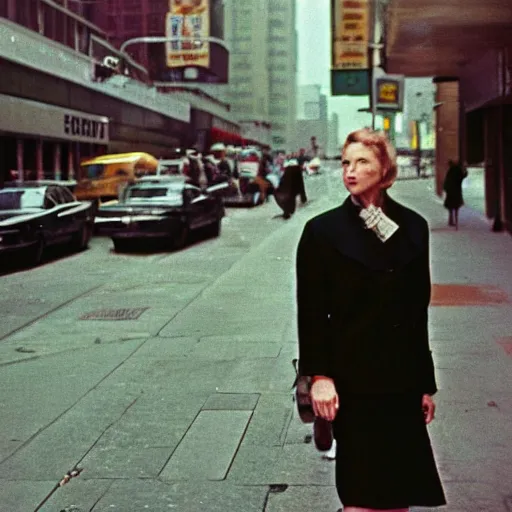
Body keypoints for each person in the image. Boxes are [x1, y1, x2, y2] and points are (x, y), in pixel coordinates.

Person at [296, 128, 446, 512]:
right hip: (352, 383)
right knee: (361, 497)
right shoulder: (322, 232)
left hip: (399, 383)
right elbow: (312, 312)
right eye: (346, 162)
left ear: (385, 169)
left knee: (398, 498)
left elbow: (417, 311)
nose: (350, 171)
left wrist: (423, 385)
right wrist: (320, 377)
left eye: (362, 162)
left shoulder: (413, 227)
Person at [443, 160, 467, 229]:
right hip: (456, 191)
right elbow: (462, 177)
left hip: (450, 191)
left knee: (451, 207)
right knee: (456, 206)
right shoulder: (458, 170)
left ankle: (451, 220)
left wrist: (446, 189)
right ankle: (455, 220)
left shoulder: (450, 171)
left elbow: (447, 181)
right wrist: (465, 171)